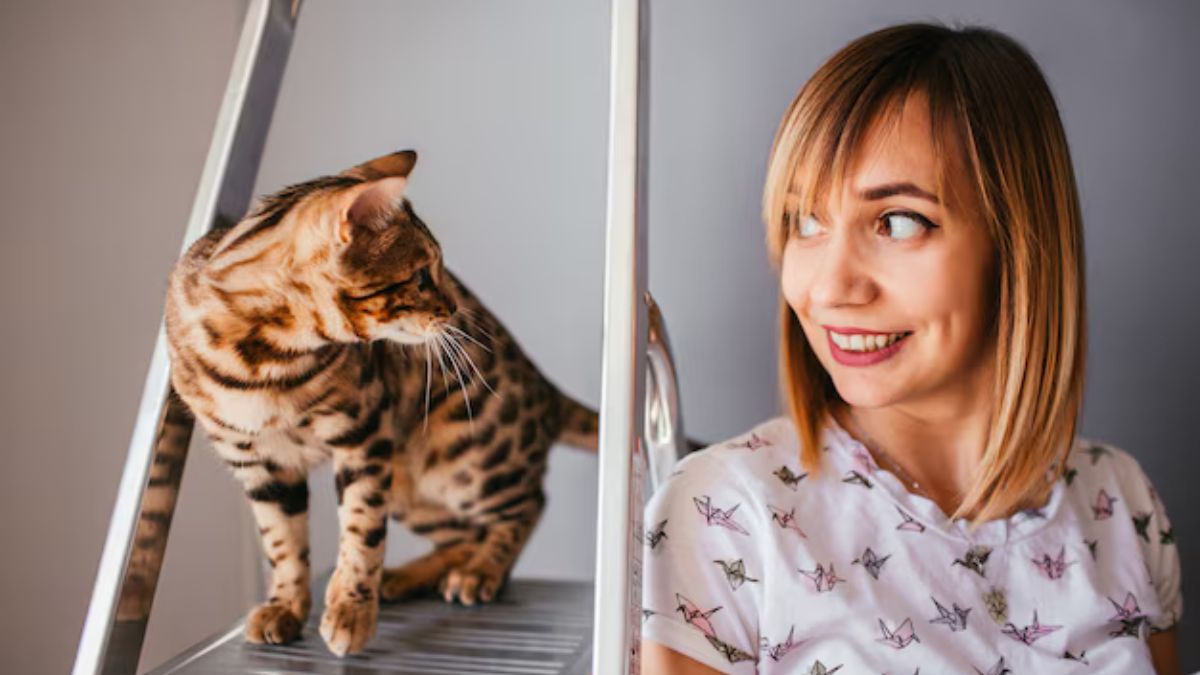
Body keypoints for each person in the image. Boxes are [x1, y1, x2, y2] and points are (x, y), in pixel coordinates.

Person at [640, 22, 1183, 675]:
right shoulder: (725, 513)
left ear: (1016, 245)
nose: (830, 287)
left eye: (897, 222)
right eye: (804, 221)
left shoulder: (1121, 501)